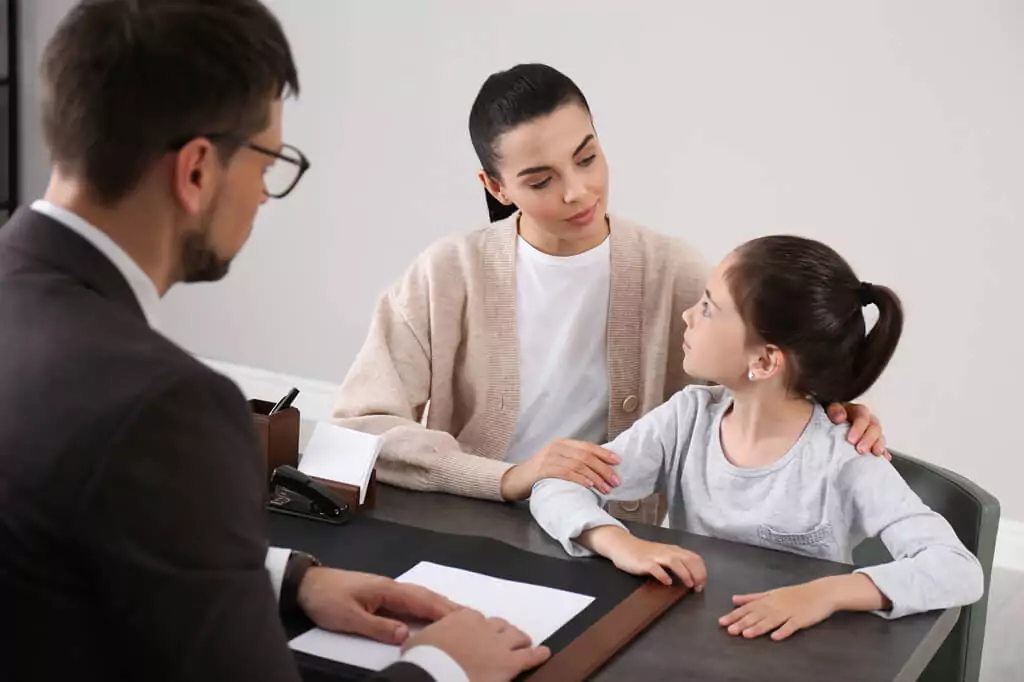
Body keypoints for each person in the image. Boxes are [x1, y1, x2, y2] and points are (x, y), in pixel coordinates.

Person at [0, 2, 548, 681]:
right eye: (268, 162)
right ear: (197, 172)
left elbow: (46, 541)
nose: (265, 195)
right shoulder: (168, 407)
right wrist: (443, 668)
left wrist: (286, 580)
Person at [333, 63, 888, 523]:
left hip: (613, 540)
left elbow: (760, 380)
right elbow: (360, 426)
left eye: (586, 158)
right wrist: (506, 477)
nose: (578, 192)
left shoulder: (675, 273)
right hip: (466, 522)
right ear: (496, 187)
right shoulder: (445, 273)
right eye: (540, 179)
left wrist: (831, 415)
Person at [530, 235, 985, 641]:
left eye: (709, 307)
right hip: (694, 637)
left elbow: (957, 570)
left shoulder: (845, 457)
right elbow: (558, 483)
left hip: (796, 655)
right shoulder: (686, 418)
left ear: (766, 361)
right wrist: (621, 543)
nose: (689, 314)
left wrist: (826, 594)